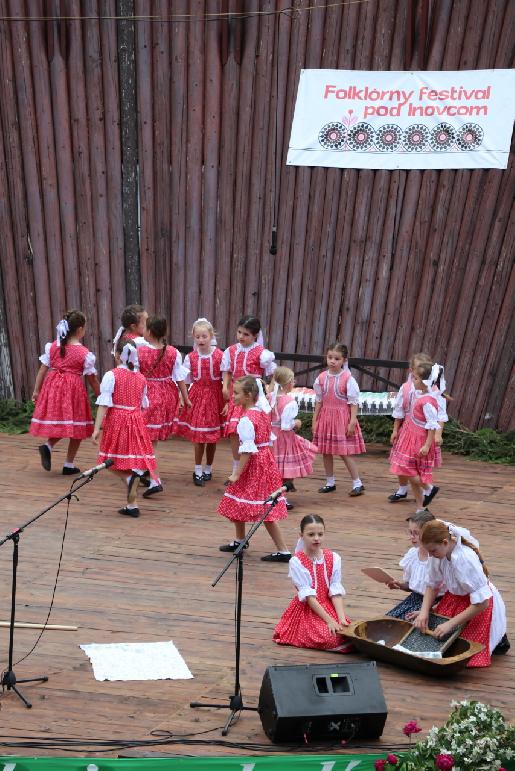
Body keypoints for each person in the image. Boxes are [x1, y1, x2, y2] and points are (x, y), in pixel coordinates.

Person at [412, 520, 509, 667]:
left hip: (477, 606)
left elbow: (483, 602)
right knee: (433, 641)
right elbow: (432, 585)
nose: (431, 555)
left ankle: (499, 639)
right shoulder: (438, 555)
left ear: (445, 542)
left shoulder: (464, 559)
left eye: (433, 551)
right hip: (454, 600)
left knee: (459, 653)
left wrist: (450, 624)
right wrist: (424, 612)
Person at [218, 376, 291, 562]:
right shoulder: (261, 413)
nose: (232, 396)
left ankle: (283, 550)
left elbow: (247, 451)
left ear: (249, 395)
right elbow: (267, 443)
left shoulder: (246, 419)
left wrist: (236, 473)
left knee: (263, 509)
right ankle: (240, 540)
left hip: (253, 465)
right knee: (240, 502)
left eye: (236, 393)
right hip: (264, 462)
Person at [92, 338, 157, 518]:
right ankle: (132, 505)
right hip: (136, 421)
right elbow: (143, 404)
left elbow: (104, 404)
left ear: (119, 355)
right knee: (127, 460)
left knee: (109, 460)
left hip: (117, 421)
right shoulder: (141, 378)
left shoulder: (111, 375)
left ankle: (130, 479)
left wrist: (97, 428)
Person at [30, 310, 100, 474]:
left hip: (53, 388)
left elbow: (42, 369)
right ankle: (68, 464)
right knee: (77, 425)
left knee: (62, 423)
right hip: (73, 392)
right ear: (80, 330)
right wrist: (101, 396)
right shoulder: (84, 353)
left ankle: (48, 446)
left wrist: (36, 390)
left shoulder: (53, 346)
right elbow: (92, 380)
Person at [273, 514, 352, 651]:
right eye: (311, 534)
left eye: (320, 534)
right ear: (301, 535)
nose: (316, 538)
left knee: (345, 632)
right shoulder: (297, 562)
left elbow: (335, 591)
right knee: (329, 637)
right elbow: (309, 598)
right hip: (308, 608)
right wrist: (329, 621)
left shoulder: (333, 558)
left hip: (328, 605)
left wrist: (340, 618)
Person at [138, 314, 190, 496]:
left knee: (147, 440)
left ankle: (153, 478)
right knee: (151, 440)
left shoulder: (140, 351)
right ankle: (144, 472)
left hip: (148, 396)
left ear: (150, 332)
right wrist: (186, 397)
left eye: (144, 328)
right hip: (167, 395)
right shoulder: (173, 352)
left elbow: (134, 375)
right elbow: (179, 377)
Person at [221, 316, 276, 481]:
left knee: (253, 431)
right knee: (233, 431)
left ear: (255, 335)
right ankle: (236, 467)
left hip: (253, 396)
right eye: (239, 332)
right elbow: (227, 371)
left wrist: (269, 389)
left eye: (246, 334)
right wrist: (225, 386)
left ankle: (253, 467)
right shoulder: (231, 351)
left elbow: (274, 373)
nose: (241, 337)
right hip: (237, 395)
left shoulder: (262, 353)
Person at [389, 353, 448, 507]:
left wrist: (433, 439)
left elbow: (434, 421)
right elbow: (400, 410)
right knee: (403, 467)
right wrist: (396, 430)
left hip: (418, 438)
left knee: (408, 469)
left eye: (417, 375)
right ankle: (420, 508)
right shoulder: (413, 390)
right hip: (407, 434)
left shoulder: (431, 397)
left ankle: (428, 489)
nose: (414, 377)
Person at [175, 318, 224, 486]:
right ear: (193, 338)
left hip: (215, 397)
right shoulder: (190, 357)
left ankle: (208, 468)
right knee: (198, 437)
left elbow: (226, 379)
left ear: (211, 336)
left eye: (204, 336)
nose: (201, 340)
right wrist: (183, 397)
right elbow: (186, 380)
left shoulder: (219, 355)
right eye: (198, 337)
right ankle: (197, 470)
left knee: (211, 437)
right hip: (197, 397)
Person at [312, 343, 365, 495]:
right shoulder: (321, 378)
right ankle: (330, 482)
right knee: (326, 451)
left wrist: (352, 421)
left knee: (344, 452)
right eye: (330, 358)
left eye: (337, 358)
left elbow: (353, 401)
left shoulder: (348, 378)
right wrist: (315, 420)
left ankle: (357, 483)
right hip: (325, 419)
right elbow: (319, 401)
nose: (332, 361)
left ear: (344, 360)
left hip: (342, 419)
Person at [268, 366, 318, 509]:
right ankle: (280, 497)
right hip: (283, 439)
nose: (294, 383)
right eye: (293, 380)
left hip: (270, 436)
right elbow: (285, 425)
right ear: (288, 383)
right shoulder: (289, 402)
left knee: (274, 466)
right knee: (285, 468)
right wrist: (296, 422)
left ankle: (275, 494)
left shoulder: (269, 397)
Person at [385, 510, 443, 619]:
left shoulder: (439, 558)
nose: (412, 537)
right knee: (387, 623)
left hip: (436, 604)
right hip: (414, 600)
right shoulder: (413, 554)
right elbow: (413, 587)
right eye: (410, 532)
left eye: (416, 533)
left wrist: (427, 610)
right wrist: (400, 586)